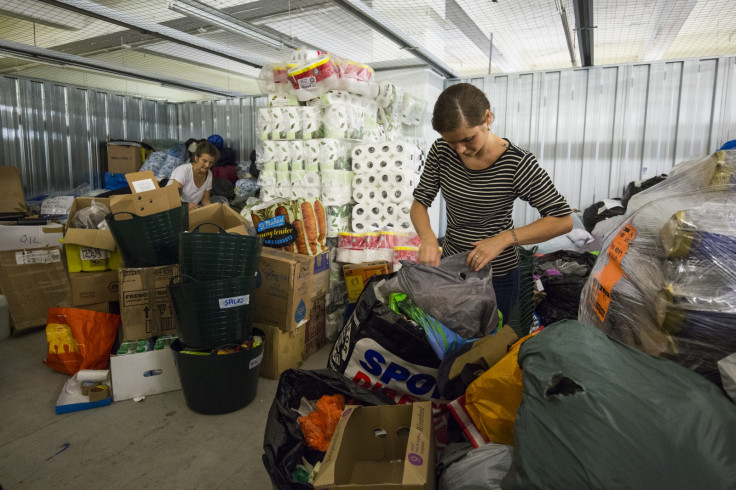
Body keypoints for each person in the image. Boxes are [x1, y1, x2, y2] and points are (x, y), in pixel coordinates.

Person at [411, 83, 573, 322]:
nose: (460, 150)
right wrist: (427, 238)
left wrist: (503, 239)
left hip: (498, 275)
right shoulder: (441, 151)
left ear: (488, 118)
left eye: (467, 139)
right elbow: (419, 203)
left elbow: (562, 220)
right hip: (453, 268)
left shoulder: (517, 164)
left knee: (488, 345)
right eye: (452, 142)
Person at [168, 141, 218, 210]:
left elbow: (205, 201)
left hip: (191, 210)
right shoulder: (183, 171)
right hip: (174, 209)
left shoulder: (209, 174)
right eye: (204, 161)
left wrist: (212, 210)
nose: (207, 165)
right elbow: (171, 198)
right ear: (196, 158)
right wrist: (185, 206)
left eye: (211, 163)